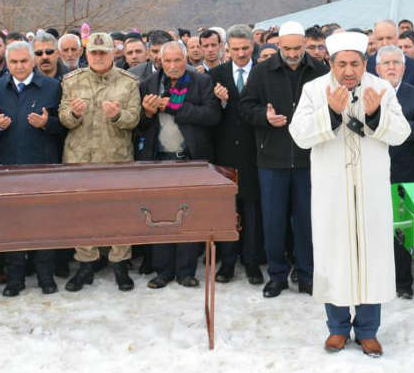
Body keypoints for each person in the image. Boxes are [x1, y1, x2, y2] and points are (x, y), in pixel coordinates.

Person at [289, 31, 410, 357]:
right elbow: (299, 134)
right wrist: (328, 111)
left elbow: (402, 133)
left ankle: (368, 330)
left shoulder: (381, 89)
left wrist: (374, 114)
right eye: (341, 64)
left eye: (354, 64)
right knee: (335, 257)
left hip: (370, 192)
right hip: (332, 193)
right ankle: (338, 329)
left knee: (372, 258)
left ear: (364, 63)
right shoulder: (314, 90)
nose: (348, 71)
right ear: (330, 63)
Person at [239, 21, 328, 298]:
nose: (292, 53)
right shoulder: (262, 71)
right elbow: (245, 107)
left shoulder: (320, 70)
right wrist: (264, 118)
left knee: (306, 221)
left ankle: (306, 274)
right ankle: (276, 275)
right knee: (274, 221)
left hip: (308, 159)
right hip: (272, 158)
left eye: (297, 48)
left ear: (305, 44)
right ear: (278, 45)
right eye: (286, 48)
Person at [59, 32, 141, 292]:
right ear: (87, 55)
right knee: (81, 212)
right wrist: (73, 113)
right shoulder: (72, 81)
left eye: (102, 52)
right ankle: (86, 262)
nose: (97, 57)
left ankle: (120, 262)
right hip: (79, 156)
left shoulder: (128, 83)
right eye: (93, 53)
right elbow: (63, 117)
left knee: (120, 211)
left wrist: (118, 116)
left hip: (115, 156)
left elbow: (134, 119)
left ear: (112, 54)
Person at [134, 40, 220, 288]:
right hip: (158, 160)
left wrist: (174, 107)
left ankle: (186, 271)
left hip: (189, 159)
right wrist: (148, 113)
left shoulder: (201, 82)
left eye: (177, 60)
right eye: (168, 61)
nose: (173, 66)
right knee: (160, 215)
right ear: (160, 61)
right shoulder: (148, 85)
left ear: (186, 60)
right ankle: (163, 271)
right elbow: (138, 126)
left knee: (188, 215)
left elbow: (212, 115)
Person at [0, 41, 65, 296]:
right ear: (7, 63)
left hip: (42, 167)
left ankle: (46, 276)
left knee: (43, 223)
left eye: (24, 61)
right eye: (14, 62)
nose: (19, 66)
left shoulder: (52, 87)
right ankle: (15, 278)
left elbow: (64, 126)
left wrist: (48, 123)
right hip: (9, 168)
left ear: (32, 60)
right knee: (14, 225)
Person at [374, 45, 414, 299]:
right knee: (374, 229)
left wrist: (394, 126)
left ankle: (402, 283)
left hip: (403, 174)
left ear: (404, 67)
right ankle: (375, 280)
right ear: (377, 69)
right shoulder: (364, 94)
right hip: (371, 173)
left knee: (399, 232)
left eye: (396, 63)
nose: (391, 67)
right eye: (386, 63)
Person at [209, 25, 264, 285]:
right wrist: (219, 101)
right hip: (226, 152)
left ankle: (252, 262)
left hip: (256, 151)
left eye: (245, 48)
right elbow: (210, 116)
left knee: (252, 210)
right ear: (227, 49)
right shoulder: (216, 74)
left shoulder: (263, 73)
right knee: (227, 210)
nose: (241, 53)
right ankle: (228, 262)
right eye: (236, 49)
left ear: (253, 46)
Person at [367, 20, 414, 91]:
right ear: (375, 41)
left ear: (397, 38)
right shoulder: (366, 66)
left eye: (389, 38)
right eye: (380, 39)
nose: (385, 43)